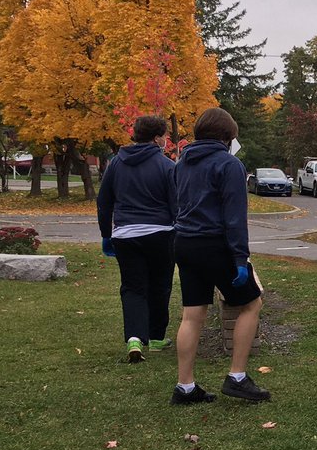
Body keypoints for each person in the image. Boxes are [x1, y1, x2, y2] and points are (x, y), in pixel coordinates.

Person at [170, 106, 270, 404]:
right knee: (251, 304)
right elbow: (234, 216)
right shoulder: (228, 165)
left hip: (184, 242)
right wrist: (240, 259)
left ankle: (185, 386)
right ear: (227, 137)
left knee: (193, 313)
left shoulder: (180, 164)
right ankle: (237, 376)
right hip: (215, 245)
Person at [96, 115, 178, 363]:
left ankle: (134, 337)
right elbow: (176, 204)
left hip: (125, 235)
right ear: (156, 138)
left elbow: (104, 202)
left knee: (132, 287)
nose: (166, 141)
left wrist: (106, 235)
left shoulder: (116, 163)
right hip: (161, 234)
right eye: (164, 136)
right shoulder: (167, 166)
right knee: (160, 285)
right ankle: (155, 337)